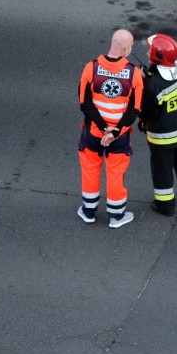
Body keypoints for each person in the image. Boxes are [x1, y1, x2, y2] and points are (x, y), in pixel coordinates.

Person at [77, 29, 144, 228]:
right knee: (115, 173)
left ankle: (88, 211)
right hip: (119, 136)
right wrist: (114, 130)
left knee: (90, 169)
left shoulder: (91, 68)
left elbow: (84, 103)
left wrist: (103, 127)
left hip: (93, 132)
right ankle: (116, 216)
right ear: (126, 49)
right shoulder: (133, 74)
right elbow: (135, 109)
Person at [138, 34, 177, 217]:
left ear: (157, 56)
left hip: (162, 136)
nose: (148, 51)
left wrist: (144, 80)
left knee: (162, 170)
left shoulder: (153, 83)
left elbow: (147, 109)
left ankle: (165, 206)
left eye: (150, 50)